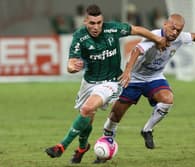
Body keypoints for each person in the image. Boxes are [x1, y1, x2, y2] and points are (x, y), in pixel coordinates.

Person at [45, 4, 167, 164]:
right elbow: (70, 63)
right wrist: (72, 68)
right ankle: (82, 147)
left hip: (110, 82)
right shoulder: (79, 37)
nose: (96, 27)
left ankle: (61, 146)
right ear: (85, 22)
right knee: (87, 117)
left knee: (87, 109)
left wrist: (157, 38)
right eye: (92, 23)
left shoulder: (112, 29)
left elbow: (137, 30)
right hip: (89, 82)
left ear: (103, 21)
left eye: (99, 23)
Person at [100, 13, 195, 156]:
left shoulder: (180, 38)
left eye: (179, 30)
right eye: (173, 28)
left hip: (154, 77)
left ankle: (147, 130)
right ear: (165, 24)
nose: (175, 33)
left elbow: (194, 36)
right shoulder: (154, 36)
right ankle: (107, 140)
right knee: (116, 115)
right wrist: (127, 71)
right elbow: (136, 51)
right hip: (135, 78)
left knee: (167, 99)